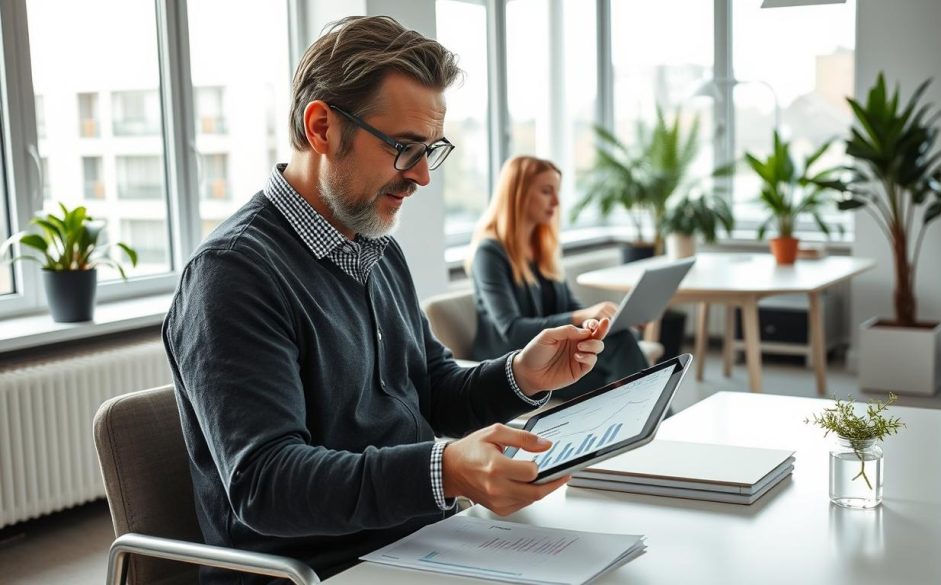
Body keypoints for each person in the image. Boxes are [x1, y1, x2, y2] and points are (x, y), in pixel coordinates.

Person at [162, 16, 611, 584]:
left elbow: (428, 390)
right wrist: (444, 471)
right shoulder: (232, 275)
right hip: (316, 572)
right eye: (403, 148)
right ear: (322, 127)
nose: (422, 176)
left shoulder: (375, 247)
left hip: (420, 544)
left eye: (431, 150)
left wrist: (522, 374)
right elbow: (266, 484)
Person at [466, 155, 649, 400]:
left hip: (550, 355)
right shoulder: (489, 253)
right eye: (546, 191)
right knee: (623, 366)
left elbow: (569, 306)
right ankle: (658, 423)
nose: (556, 201)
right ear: (518, 195)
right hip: (513, 366)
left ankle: (651, 422)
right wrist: (581, 316)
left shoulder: (541, 248)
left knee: (619, 343)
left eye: (557, 192)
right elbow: (512, 330)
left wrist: (595, 323)